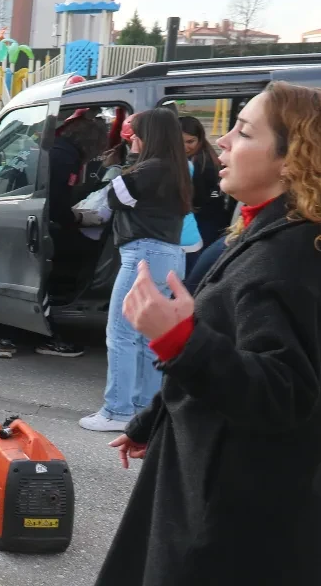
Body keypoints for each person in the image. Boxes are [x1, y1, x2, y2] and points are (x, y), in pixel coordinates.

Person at [100, 82, 321, 586]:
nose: (221, 141)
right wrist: (151, 422)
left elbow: (280, 391)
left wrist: (177, 338)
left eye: (243, 132)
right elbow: (233, 345)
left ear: (292, 159)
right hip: (239, 493)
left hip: (243, 518)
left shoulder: (293, 255)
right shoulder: (277, 231)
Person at [79, 107, 192, 432]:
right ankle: (145, 409)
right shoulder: (176, 168)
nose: (131, 140)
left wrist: (117, 166)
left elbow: (113, 199)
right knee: (146, 338)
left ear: (147, 136)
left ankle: (116, 410)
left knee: (121, 334)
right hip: (169, 255)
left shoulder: (149, 170)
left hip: (143, 254)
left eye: (134, 134)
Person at [33, 109, 111, 358]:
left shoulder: (63, 151)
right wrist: (77, 218)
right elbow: (57, 203)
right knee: (88, 249)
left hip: (48, 218)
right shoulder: (65, 158)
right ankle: (67, 299)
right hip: (46, 222)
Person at [178, 115, 226, 272]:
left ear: (200, 139)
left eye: (190, 141)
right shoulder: (204, 156)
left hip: (203, 223)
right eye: (180, 141)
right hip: (209, 221)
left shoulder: (199, 163)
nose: (185, 147)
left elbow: (196, 199)